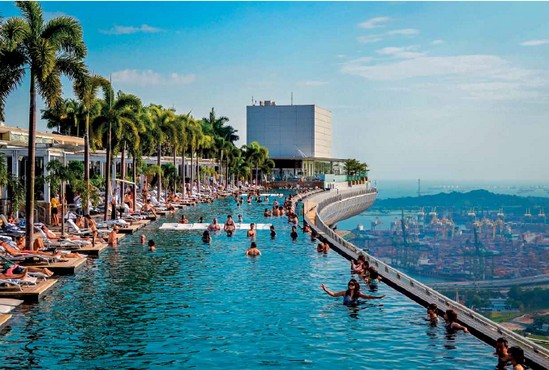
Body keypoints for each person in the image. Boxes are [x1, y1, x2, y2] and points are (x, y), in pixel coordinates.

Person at [321, 279, 385, 306]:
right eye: (349, 284)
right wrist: (325, 289)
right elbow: (334, 294)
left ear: (355, 286)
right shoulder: (345, 293)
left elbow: (367, 296)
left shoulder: (358, 293)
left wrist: (378, 297)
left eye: (352, 284)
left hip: (355, 307)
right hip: (346, 307)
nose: (350, 285)